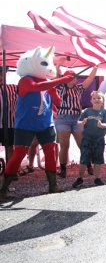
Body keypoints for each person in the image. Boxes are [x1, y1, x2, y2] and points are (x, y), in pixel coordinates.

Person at [1, 47, 74, 201]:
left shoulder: (47, 82)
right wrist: (61, 80)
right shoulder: (26, 80)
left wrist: (55, 88)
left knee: (50, 152)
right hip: (25, 124)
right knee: (18, 155)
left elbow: (57, 101)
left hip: (46, 123)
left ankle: (53, 185)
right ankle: (3, 189)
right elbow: (36, 88)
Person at [55, 61, 98, 178]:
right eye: (69, 77)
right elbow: (55, 77)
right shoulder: (60, 87)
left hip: (76, 118)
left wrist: (95, 68)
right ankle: (63, 169)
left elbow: (89, 80)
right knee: (64, 145)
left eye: (74, 77)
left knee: (82, 144)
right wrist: (58, 66)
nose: (73, 79)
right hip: (62, 118)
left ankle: (88, 165)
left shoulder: (78, 88)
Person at [72, 91, 106, 188]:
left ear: (103, 101)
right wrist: (82, 122)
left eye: (99, 98)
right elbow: (79, 122)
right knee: (84, 158)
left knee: (98, 159)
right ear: (91, 100)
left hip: (99, 139)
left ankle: (97, 178)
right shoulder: (87, 111)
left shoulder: (105, 112)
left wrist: (102, 125)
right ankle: (80, 178)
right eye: (94, 98)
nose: (96, 100)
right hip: (87, 138)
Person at [0, 68, 18, 171]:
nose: (2, 75)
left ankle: (11, 170)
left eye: (3, 73)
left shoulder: (12, 88)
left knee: (10, 146)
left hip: (9, 123)